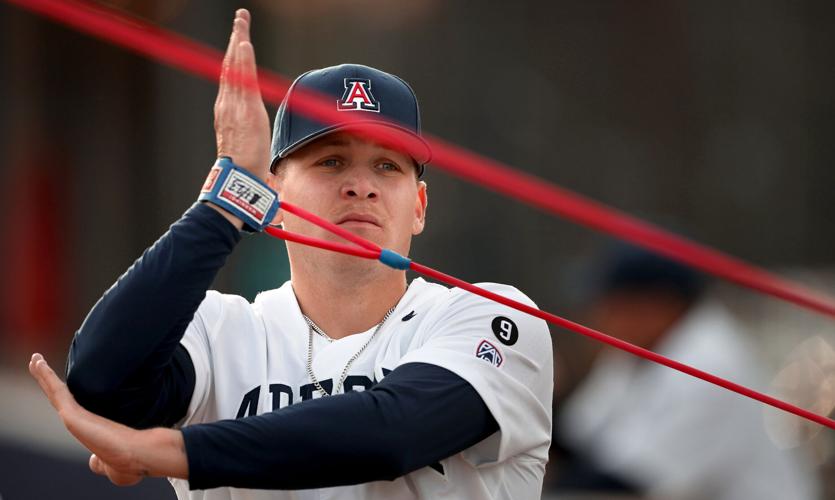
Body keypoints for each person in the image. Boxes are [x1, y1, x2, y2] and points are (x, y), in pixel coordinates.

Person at [28, 9, 554, 500]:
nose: (360, 186)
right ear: (274, 200)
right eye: (330, 161)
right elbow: (102, 386)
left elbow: (390, 435)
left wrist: (168, 451)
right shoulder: (218, 329)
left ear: (418, 207)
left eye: (387, 167)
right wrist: (225, 201)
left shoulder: (493, 315)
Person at [547, 244, 819, 500]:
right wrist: (544, 394)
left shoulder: (709, 361)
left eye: (611, 305)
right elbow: (579, 445)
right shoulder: (634, 353)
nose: (596, 317)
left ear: (656, 306)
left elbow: (628, 484)